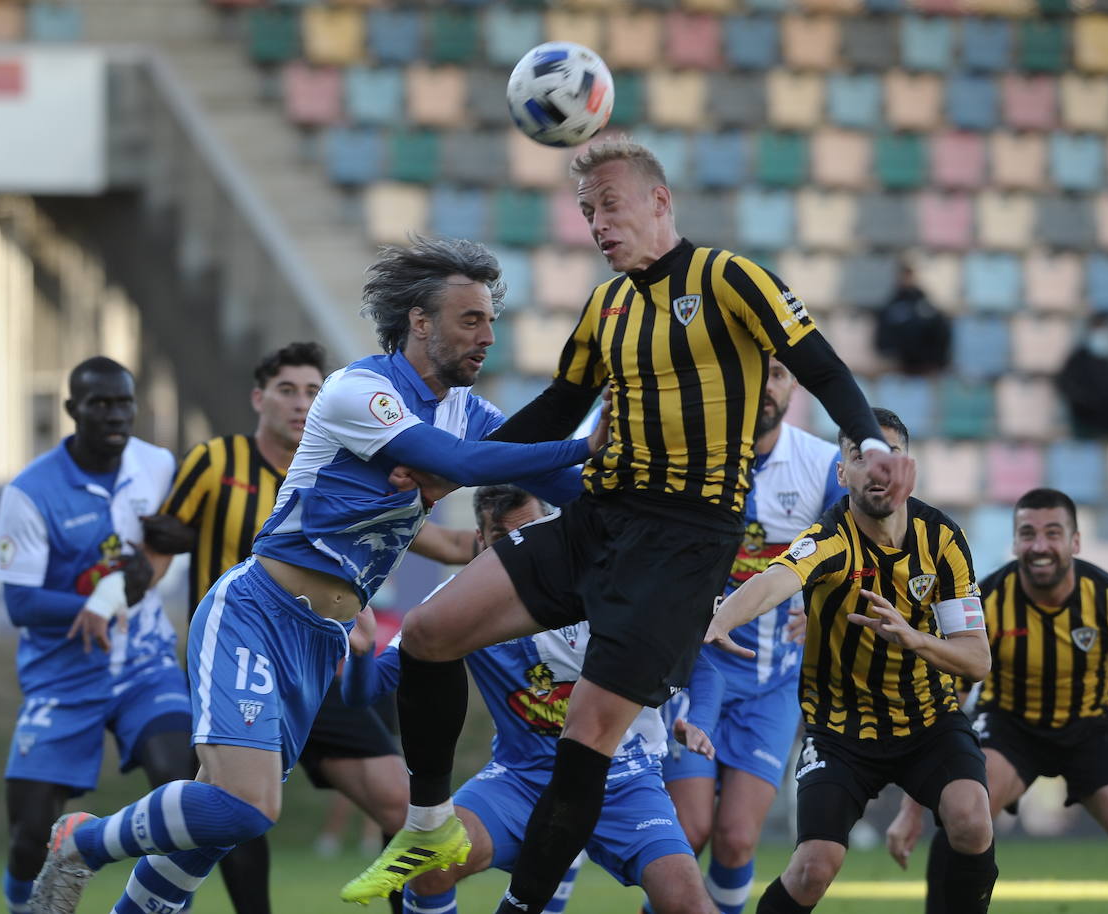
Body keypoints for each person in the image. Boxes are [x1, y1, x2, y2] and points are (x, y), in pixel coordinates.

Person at [344, 137, 914, 914]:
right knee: (431, 632)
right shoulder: (607, 304)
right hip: (598, 517)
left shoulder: (729, 278)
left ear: (659, 201)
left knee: (585, 748)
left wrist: (871, 442)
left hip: (684, 546)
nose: (598, 225)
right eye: (587, 213)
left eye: (609, 205)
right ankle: (428, 823)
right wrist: (455, 465)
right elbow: (555, 408)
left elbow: (820, 364)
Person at [28, 236, 606, 914]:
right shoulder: (361, 390)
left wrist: (636, 508)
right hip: (258, 612)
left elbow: (545, 477)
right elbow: (471, 463)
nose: (488, 335)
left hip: (321, 642)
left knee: (211, 828)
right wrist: (585, 441)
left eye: (491, 319)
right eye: (470, 319)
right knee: (248, 808)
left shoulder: (464, 410)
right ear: (420, 322)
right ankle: (82, 840)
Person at [141, 341, 459, 914]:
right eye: (286, 390)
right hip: (241, 650)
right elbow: (160, 543)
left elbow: (445, 542)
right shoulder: (216, 462)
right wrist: (117, 595)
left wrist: (524, 542)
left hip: (321, 663)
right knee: (237, 814)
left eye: (313, 391)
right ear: (259, 398)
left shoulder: (352, 473)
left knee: (400, 803)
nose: (300, 403)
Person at [342, 485, 726, 914]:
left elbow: (705, 670)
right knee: (429, 865)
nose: (522, 550)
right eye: (505, 541)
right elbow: (363, 694)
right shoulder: (455, 607)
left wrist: (701, 723)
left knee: (690, 903)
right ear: (482, 543)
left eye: (534, 531)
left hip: (626, 782)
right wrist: (361, 651)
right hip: (520, 782)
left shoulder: (613, 585)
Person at [706, 408, 998, 914]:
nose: (876, 469)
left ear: (908, 468)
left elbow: (977, 660)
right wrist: (719, 620)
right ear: (842, 473)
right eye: (861, 457)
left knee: (972, 820)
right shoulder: (831, 538)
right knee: (813, 867)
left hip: (927, 719)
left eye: (888, 457)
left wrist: (915, 640)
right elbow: (778, 578)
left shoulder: (943, 541)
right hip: (841, 730)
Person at [885, 487, 1108, 914]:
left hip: (1091, 727)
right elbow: (947, 701)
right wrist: (912, 809)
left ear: (1074, 542)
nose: (1039, 546)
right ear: (1015, 542)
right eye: (1027, 533)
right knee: (964, 819)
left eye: (1053, 533)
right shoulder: (990, 599)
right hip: (1009, 726)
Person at [0, 357, 189, 914]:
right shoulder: (31, 492)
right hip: (63, 674)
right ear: (72, 410)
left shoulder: (157, 465)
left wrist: (180, 538)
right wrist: (94, 605)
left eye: (123, 402)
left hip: (146, 664)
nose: (114, 414)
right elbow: (21, 602)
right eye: (99, 404)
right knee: (29, 837)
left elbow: (173, 541)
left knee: (181, 792)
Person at [652, 357, 846, 914]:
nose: (765, 385)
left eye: (781, 373)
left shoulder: (820, 465)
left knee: (737, 839)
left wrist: (821, 608)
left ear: (794, 387)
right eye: (752, 370)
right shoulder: (689, 456)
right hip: (690, 671)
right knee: (688, 833)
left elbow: (852, 554)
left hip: (773, 683)